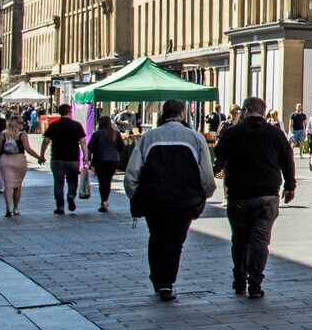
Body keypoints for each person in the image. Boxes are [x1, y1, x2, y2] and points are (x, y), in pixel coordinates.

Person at [125, 100, 216, 302]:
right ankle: (167, 282)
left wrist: (135, 194)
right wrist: (205, 193)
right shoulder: (195, 138)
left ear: (163, 114)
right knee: (175, 240)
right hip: (184, 199)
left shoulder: (149, 137)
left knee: (156, 237)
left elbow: (133, 172)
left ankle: (158, 279)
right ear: (182, 114)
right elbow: (206, 173)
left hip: (154, 198)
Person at [212, 97, 296, 300]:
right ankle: (255, 285)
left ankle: (240, 280)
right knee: (260, 241)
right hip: (267, 194)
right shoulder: (276, 133)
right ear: (263, 112)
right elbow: (287, 160)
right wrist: (290, 186)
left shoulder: (232, 132)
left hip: (238, 194)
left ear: (246, 110)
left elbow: (219, 153)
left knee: (239, 239)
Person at [40, 106, 86, 215]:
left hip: (57, 158)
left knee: (58, 182)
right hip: (73, 159)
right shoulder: (77, 125)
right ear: (70, 112)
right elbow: (83, 142)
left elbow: (46, 141)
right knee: (72, 180)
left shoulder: (54, 125)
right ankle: (71, 195)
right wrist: (85, 156)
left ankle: (60, 206)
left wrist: (42, 155)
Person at [0, 114, 32, 216]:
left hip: (6, 160)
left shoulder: (3, 134)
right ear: (16, 124)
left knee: (8, 185)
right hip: (20, 160)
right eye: (22, 123)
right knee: (17, 186)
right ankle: (16, 208)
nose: (23, 124)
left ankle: (8, 207)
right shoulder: (23, 135)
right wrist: (39, 157)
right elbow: (28, 149)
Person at [88, 115, 126, 212]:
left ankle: (103, 201)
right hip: (112, 160)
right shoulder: (116, 133)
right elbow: (122, 147)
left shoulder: (97, 134)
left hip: (100, 160)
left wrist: (96, 151)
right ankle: (105, 200)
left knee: (102, 181)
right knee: (108, 181)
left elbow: (90, 147)